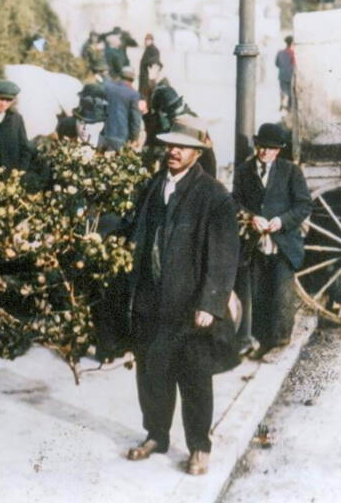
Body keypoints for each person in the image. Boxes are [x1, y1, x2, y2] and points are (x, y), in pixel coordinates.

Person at [123, 117, 240, 476]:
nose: (174, 151)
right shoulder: (153, 187)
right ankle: (156, 434)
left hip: (190, 305)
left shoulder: (213, 195)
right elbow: (134, 228)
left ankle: (199, 447)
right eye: (170, 144)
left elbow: (223, 255)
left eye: (183, 147)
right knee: (152, 373)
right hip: (151, 299)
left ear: (196, 152)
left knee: (194, 377)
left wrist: (210, 302)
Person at [232, 123, 311, 359]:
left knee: (281, 292)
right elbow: (235, 202)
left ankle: (280, 342)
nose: (265, 152)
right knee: (258, 292)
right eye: (261, 147)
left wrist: (281, 221)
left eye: (270, 148)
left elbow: (303, 205)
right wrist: (250, 217)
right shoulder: (244, 172)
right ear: (256, 145)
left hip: (283, 242)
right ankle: (263, 342)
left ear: (278, 150)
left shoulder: (291, 171)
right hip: (255, 242)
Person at [0, 79, 31, 171]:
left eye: (8, 100)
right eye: (1, 99)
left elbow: (25, 149)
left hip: (9, 178)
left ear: (13, 101)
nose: (4, 104)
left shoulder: (16, 119)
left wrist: (19, 172)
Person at [56, 82, 111, 150]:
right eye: (81, 122)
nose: (85, 128)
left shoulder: (109, 148)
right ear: (76, 121)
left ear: (100, 126)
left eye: (91, 123)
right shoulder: (64, 130)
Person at [102, 66, 143, 151]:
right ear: (132, 79)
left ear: (120, 76)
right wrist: (135, 138)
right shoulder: (133, 94)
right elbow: (135, 119)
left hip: (105, 133)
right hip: (121, 136)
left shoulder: (108, 88)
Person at [275, 36, 296, 112]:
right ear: (291, 43)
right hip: (289, 75)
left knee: (282, 90)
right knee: (289, 91)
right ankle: (289, 107)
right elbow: (293, 64)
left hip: (281, 74)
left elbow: (276, 64)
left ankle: (281, 104)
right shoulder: (292, 53)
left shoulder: (280, 52)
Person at [138, 34, 161, 100]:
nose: (146, 41)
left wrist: (152, 79)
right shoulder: (148, 49)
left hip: (148, 79)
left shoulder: (153, 50)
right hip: (144, 78)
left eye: (148, 40)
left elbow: (155, 65)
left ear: (152, 40)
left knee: (146, 97)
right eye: (146, 40)